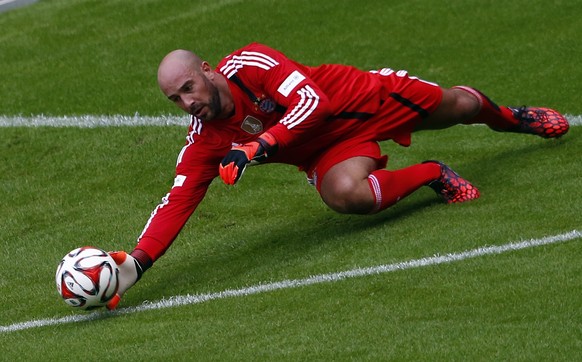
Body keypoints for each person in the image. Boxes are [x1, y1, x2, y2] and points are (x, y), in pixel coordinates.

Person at [105, 42, 569, 309]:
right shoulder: (204, 136)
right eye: (176, 99)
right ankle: (432, 174)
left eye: (189, 88)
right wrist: (137, 263)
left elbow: (314, 103)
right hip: (331, 150)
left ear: (206, 71)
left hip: (363, 100)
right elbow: (179, 196)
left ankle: (513, 118)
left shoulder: (252, 64)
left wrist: (261, 145)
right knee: (347, 196)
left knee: (462, 107)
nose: (188, 103)